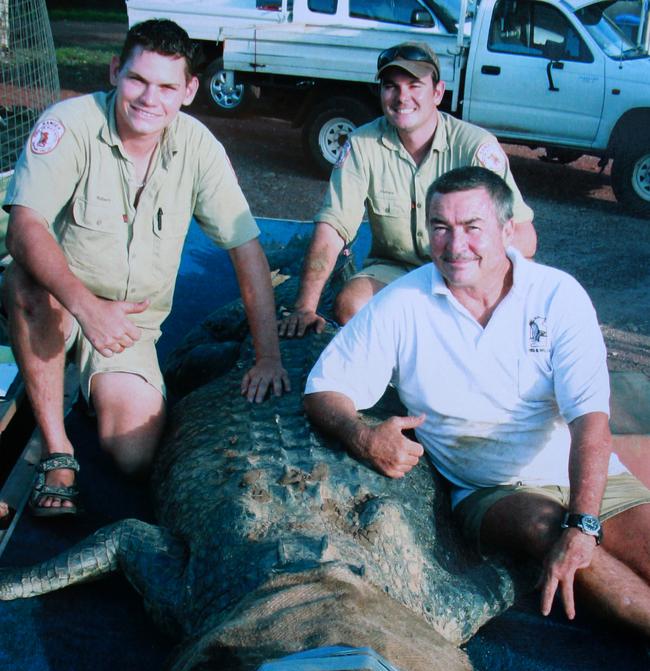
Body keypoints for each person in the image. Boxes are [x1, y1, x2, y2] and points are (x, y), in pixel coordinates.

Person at [304, 166, 650, 636]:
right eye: (440, 227)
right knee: (545, 528)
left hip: (579, 467)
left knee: (631, 536)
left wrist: (585, 523)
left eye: (472, 227)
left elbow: (590, 420)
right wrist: (361, 435)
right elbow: (324, 387)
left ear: (508, 231)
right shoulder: (403, 303)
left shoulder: (557, 296)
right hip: (490, 490)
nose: (454, 243)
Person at [2, 19, 289, 517]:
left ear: (190, 90)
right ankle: (56, 448)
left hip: (130, 325)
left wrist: (268, 357)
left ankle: (87, 380)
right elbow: (24, 227)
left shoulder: (199, 149)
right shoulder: (69, 123)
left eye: (166, 86)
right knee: (24, 280)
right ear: (116, 71)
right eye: (137, 79)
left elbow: (247, 252)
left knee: (135, 456)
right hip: (61, 300)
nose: (148, 98)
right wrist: (87, 307)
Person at [280, 41, 537, 338]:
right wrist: (305, 306)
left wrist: (471, 280)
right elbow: (333, 226)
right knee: (352, 305)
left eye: (415, 85)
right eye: (391, 86)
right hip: (395, 270)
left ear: (438, 92)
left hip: (464, 270)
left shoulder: (475, 147)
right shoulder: (362, 145)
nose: (402, 98)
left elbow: (524, 238)